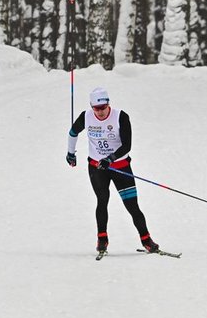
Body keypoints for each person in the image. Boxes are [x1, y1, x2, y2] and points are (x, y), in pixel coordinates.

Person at [66, 86, 159, 254]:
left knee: (132, 205)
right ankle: (102, 239)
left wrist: (110, 159)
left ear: (108, 104)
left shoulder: (120, 117)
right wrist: (70, 153)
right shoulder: (86, 116)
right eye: (97, 108)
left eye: (103, 108)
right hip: (97, 167)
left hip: (120, 167)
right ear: (91, 106)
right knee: (102, 200)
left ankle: (146, 240)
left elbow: (127, 145)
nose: (100, 112)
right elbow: (73, 133)